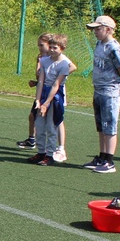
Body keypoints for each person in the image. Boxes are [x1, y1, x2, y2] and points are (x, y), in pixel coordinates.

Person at [16, 32, 76, 161]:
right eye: (51, 47)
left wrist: (46, 103)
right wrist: (38, 100)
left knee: (51, 126)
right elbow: (42, 81)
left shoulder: (64, 63)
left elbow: (55, 85)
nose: (52, 50)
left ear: (62, 48)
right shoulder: (44, 61)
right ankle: (41, 152)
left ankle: (50, 154)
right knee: (39, 124)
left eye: (56, 48)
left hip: (55, 96)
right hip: (43, 93)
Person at [83, 15, 120, 173]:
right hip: (98, 89)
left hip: (110, 91)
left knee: (110, 126)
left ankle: (109, 161)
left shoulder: (113, 47)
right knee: (101, 126)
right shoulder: (99, 44)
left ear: (108, 30)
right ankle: (101, 157)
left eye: (98, 29)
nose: (95, 32)